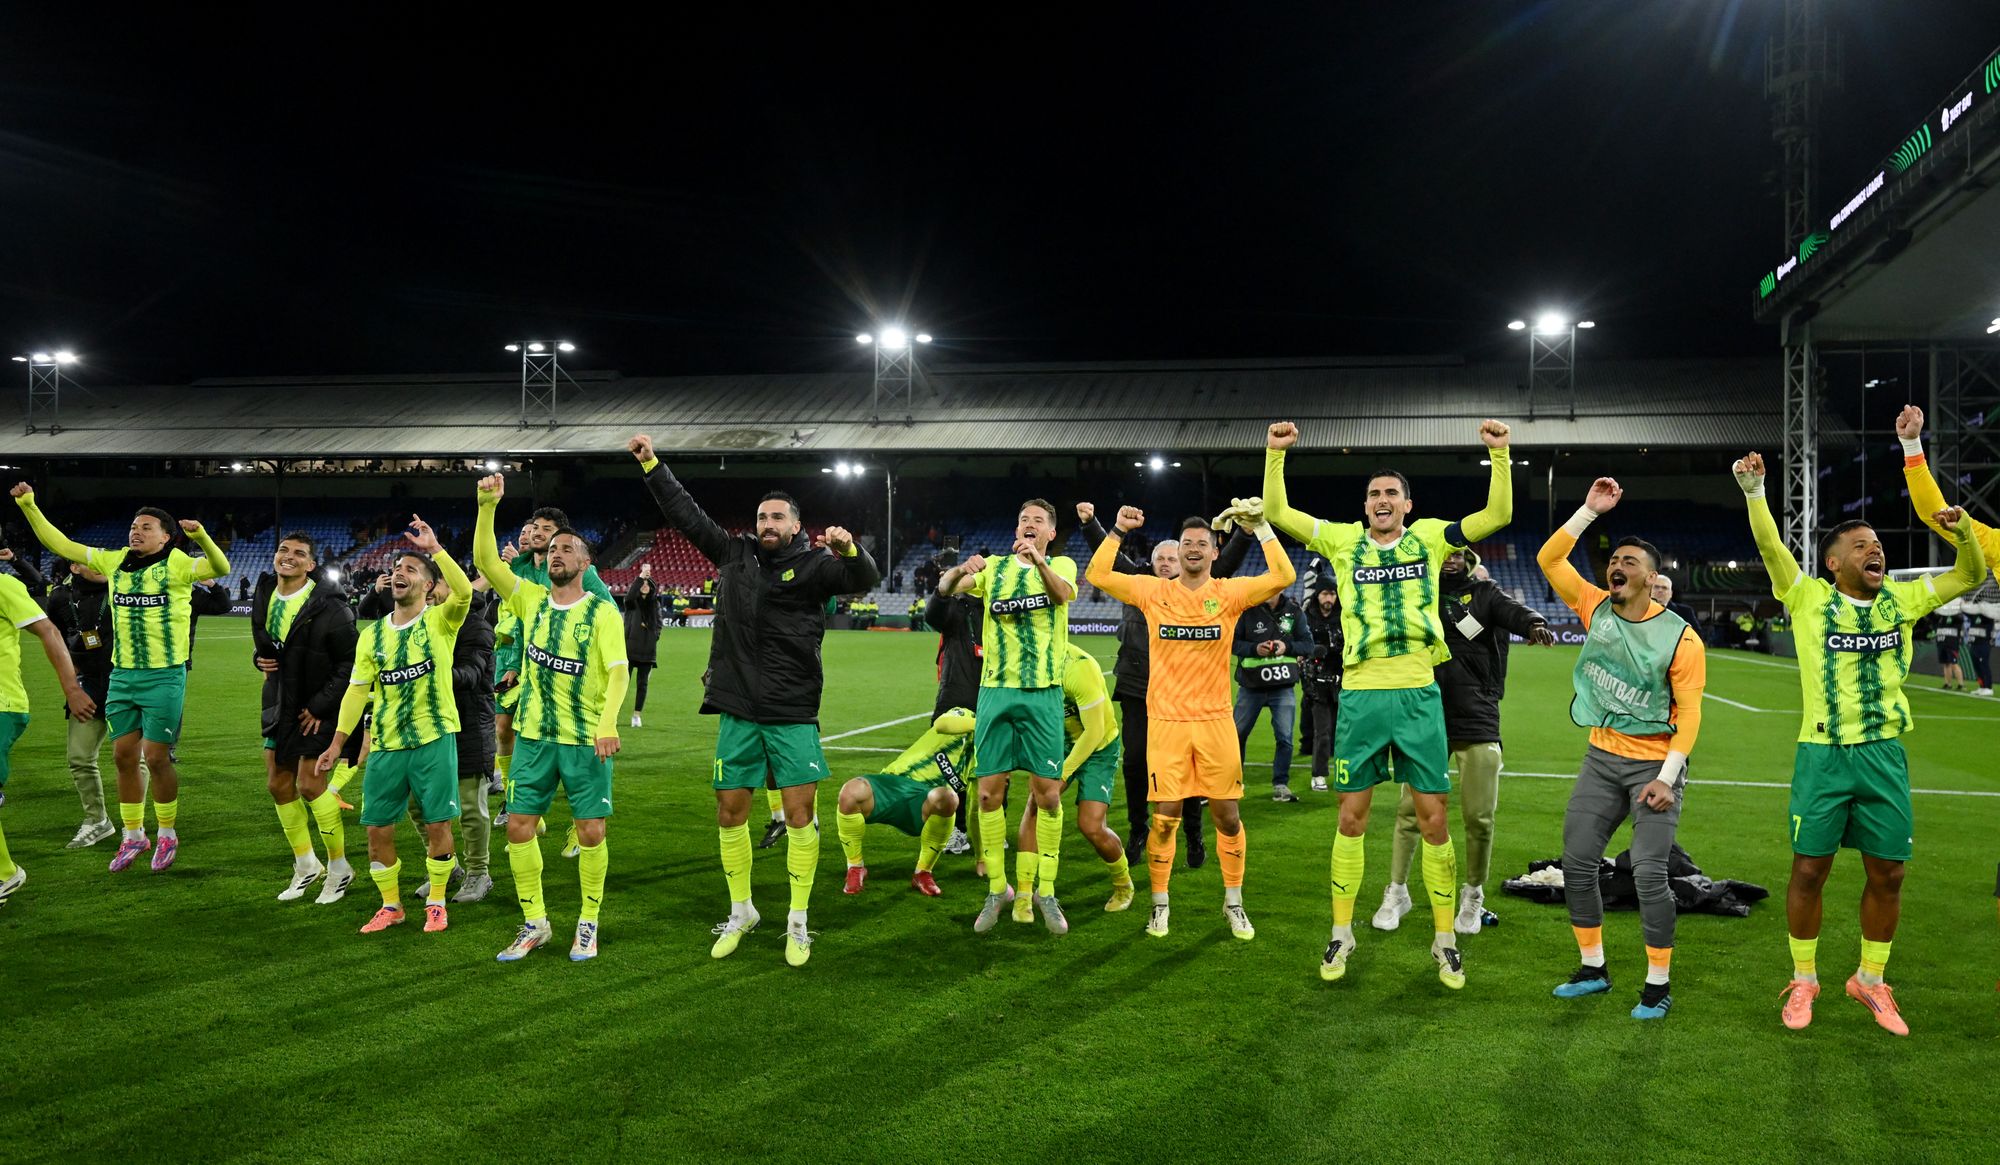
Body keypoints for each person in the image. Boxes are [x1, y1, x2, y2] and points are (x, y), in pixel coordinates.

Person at [1734, 449, 1985, 1036]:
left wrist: (1965, 532)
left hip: (1884, 755)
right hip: (1823, 754)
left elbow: (1970, 575)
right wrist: (1754, 493)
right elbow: (1773, 549)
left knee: (1889, 874)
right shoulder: (1808, 600)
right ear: (1833, 563)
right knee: (1809, 871)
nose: (1875, 550)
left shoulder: (1902, 601)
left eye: (1878, 544)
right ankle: (1804, 980)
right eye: (1861, 545)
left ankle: (1870, 981)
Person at [1263, 418, 1515, 989]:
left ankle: (1445, 940)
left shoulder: (1429, 536)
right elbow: (1279, 512)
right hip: (1361, 697)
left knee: (1434, 819)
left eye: (1391, 494)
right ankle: (1342, 932)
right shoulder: (1342, 540)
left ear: (1407, 504)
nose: (1382, 500)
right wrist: (1275, 454)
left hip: (1419, 693)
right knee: (1351, 817)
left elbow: (1495, 517)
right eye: (1374, 493)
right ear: (1366, 504)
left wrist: (1500, 455)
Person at [630, 433, 878, 967]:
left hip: (792, 709)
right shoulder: (734, 553)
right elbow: (687, 515)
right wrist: (652, 464)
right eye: (761, 517)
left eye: (777, 518)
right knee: (730, 811)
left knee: (798, 813)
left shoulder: (816, 565)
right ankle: (742, 910)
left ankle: (797, 920)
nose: (767, 525)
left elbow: (865, 577)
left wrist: (851, 549)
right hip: (738, 708)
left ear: (796, 526)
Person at [1536, 478, 1706, 1020]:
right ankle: (1593, 969)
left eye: (1630, 562)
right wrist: (1589, 510)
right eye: (1614, 559)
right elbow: (1550, 557)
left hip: (1656, 765)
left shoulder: (1682, 638)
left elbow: (1691, 714)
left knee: (1651, 873)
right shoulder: (1594, 607)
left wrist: (1667, 776)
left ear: (1652, 579)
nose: (1617, 565)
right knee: (1578, 862)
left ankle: (1657, 984)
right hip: (1601, 759)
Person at [1086, 502, 1294, 941]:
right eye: (1187, 543)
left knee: (1228, 817)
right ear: (1177, 552)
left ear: (1215, 551)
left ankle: (1234, 903)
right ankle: (1159, 905)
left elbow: (1283, 577)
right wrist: (1118, 531)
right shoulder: (1153, 591)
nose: (1194, 549)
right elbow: (1098, 575)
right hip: (1167, 723)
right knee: (1164, 818)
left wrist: (1261, 528)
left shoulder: (1231, 592)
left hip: (1216, 722)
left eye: (1202, 543)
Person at [12, 484, 230, 873]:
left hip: (164, 676)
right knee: (122, 756)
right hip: (122, 676)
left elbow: (220, 568)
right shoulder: (114, 561)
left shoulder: (178, 563)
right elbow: (61, 544)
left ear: (166, 536)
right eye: (134, 525)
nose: (137, 531)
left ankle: (167, 833)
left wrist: (200, 537)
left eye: (147, 527)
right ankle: (134, 836)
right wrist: (28, 505)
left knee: (157, 757)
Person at [475, 476, 628, 962]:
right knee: (519, 826)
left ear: (585, 563)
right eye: (553, 548)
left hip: (585, 740)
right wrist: (486, 506)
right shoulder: (530, 599)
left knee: (591, 833)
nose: (557, 553)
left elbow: (619, 674)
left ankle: (588, 921)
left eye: (567, 547)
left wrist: (607, 724)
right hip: (535, 738)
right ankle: (535, 921)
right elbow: (483, 563)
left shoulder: (602, 613)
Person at [1375, 546, 1555, 935]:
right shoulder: (1415, 593)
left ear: (1469, 560)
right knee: (1409, 812)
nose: (1450, 559)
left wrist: (1534, 621)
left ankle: (1472, 895)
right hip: (1424, 715)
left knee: (1479, 818)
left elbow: (1513, 612)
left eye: (1458, 553)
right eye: (1444, 553)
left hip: (1477, 716)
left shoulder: (1486, 593)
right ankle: (1397, 890)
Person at [317, 516, 468, 936]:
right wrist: (338, 744)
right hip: (385, 745)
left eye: (411, 570)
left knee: (438, 825)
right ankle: (391, 905)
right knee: (376, 830)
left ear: (428, 586)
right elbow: (354, 693)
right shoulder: (372, 636)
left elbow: (465, 591)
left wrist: (435, 549)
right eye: (397, 568)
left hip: (433, 738)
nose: (400, 573)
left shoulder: (442, 621)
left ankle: (436, 902)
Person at [937, 498, 1078, 936]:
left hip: (1042, 694)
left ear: (1050, 533)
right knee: (987, 796)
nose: (1029, 525)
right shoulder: (994, 569)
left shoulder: (1063, 565)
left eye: (1038, 521)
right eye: (1023, 520)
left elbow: (1063, 594)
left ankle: (1045, 891)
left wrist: (1038, 562)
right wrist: (962, 569)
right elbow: (944, 589)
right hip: (995, 692)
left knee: (1048, 796)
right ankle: (999, 890)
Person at [251, 532, 359, 904]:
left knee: (311, 787)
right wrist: (259, 660)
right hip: (280, 700)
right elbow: (269, 645)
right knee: (278, 785)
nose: (289, 557)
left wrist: (320, 707)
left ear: (311, 565)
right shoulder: (264, 593)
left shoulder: (332, 607)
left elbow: (350, 663)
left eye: (299, 554)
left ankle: (340, 867)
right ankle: (305, 865)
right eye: (283, 550)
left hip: (318, 707)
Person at [1010, 642, 1137, 916]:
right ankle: (1023, 892)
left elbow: (1094, 731)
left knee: (1091, 826)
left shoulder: (1078, 667)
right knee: (1035, 805)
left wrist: (1062, 775)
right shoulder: (1022, 664)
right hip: (1057, 744)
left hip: (1098, 746)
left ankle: (1123, 883)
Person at [0, 566, 97, 904]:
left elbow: (49, 632)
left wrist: (72, 689)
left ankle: (5, 875)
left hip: (2, 704)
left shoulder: (3, 584)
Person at [411, 561, 496, 904]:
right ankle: (447, 866)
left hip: (468, 726)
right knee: (417, 803)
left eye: (439, 585)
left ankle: (479, 872)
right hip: (425, 727)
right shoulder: (420, 622)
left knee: (469, 807)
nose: (432, 591)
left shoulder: (475, 626)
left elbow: (471, 674)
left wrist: (425, 672)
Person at [835, 707, 971, 897]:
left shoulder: (986, 753)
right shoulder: (966, 715)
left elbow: (982, 801)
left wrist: (982, 856)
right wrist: (985, 723)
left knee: (948, 798)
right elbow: (943, 724)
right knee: (850, 792)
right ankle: (855, 867)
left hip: (924, 802)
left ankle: (923, 873)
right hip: (893, 783)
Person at [44, 560, 132, 848]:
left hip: (126, 684)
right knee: (80, 757)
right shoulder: (59, 597)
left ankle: (135, 826)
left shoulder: (124, 589)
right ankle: (97, 820)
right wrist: (71, 686)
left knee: (133, 760)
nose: (100, 566)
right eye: (90, 562)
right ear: (74, 567)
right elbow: (54, 641)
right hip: (88, 687)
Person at [922, 560, 983, 856]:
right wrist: (948, 583)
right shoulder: (956, 607)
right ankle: (955, 829)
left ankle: (985, 826)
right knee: (949, 768)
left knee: (992, 769)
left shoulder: (997, 610)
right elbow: (932, 614)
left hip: (992, 695)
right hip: (955, 696)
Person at [1232, 587, 1314, 803]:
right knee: (1236, 736)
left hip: (1282, 685)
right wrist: (1254, 649)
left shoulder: (1294, 612)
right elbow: (1232, 643)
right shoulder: (1246, 611)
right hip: (1251, 686)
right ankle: (1233, 782)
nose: (1268, 590)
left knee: (1285, 738)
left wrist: (1285, 646)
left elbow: (1308, 645)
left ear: (1281, 588)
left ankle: (1281, 785)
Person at [1299, 569, 1343, 793]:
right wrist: (1311, 651)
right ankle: (1319, 774)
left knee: (1345, 732)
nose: (1329, 599)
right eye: (1325, 594)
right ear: (1317, 595)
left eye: (1333, 594)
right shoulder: (1307, 616)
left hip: (1342, 681)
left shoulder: (1345, 617)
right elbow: (1297, 643)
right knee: (1322, 732)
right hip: (1316, 682)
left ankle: (1346, 773)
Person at [624, 567, 662, 728]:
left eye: (648, 583)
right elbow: (630, 594)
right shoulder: (632, 603)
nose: (645, 585)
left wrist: (653, 637)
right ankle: (611, 712)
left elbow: (659, 625)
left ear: (652, 587)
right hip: (629, 650)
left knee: (642, 685)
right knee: (621, 682)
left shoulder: (655, 605)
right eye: (642, 583)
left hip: (648, 651)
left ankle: (636, 715)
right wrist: (640, 577)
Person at [1930, 613, 1965, 691]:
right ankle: (1948, 684)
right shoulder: (1938, 617)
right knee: (1946, 664)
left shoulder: (1955, 617)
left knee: (1954, 664)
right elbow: (1930, 616)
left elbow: (1961, 619)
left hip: (1952, 644)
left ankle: (1961, 685)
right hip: (1941, 643)